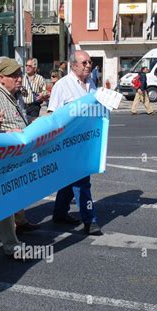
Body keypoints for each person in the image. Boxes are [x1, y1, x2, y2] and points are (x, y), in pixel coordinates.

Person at [0, 58, 36, 259]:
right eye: (13, 76)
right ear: (1, 78)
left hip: (14, 159)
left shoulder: (12, 95)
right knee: (5, 201)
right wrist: (7, 134)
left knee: (7, 200)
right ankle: (10, 245)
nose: (19, 78)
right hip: (1, 160)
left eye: (19, 75)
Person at [47, 50, 103, 236]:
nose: (89, 65)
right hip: (68, 144)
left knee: (68, 180)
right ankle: (90, 220)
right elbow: (52, 115)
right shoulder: (62, 86)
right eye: (84, 62)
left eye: (90, 62)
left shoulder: (92, 84)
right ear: (73, 65)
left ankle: (60, 213)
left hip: (87, 141)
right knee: (82, 182)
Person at [23, 58, 48, 122]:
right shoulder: (22, 78)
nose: (27, 67)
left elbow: (45, 91)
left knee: (32, 124)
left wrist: (42, 94)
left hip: (34, 106)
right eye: (26, 65)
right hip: (23, 106)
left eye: (30, 66)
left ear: (34, 68)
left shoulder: (39, 78)